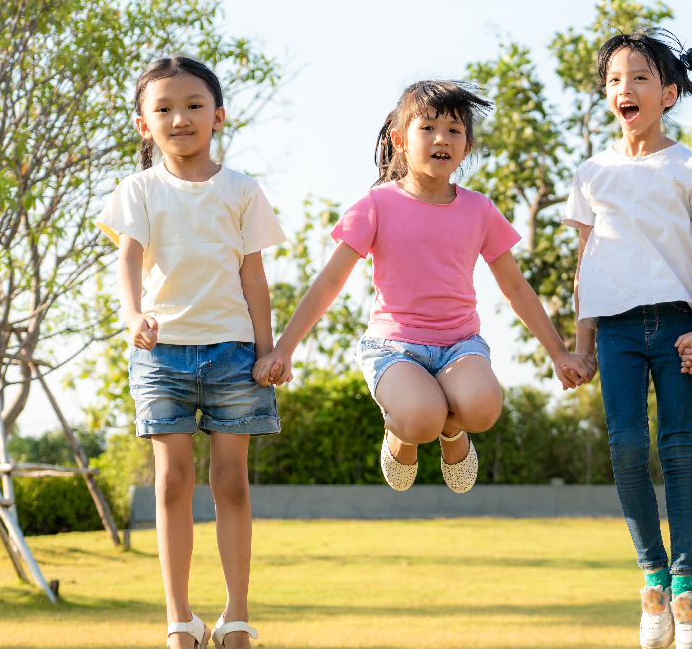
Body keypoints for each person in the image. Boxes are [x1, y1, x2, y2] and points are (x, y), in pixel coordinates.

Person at [254, 81, 594, 495]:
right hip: (394, 348)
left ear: (466, 148)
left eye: (454, 130)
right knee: (421, 419)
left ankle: (454, 431)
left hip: (459, 345)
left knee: (484, 409)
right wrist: (284, 348)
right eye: (428, 127)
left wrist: (559, 352)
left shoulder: (479, 209)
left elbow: (516, 288)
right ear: (399, 140)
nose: (441, 139)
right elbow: (329, 281)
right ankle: (401, 434)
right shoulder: (376, 205)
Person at [97, 56, 283, 649]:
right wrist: (132, 316)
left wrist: (268, 348)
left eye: (195, 105)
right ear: (144, 124)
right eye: (165, 108)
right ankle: (179, 625)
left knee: (230, 483)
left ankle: (235, 622)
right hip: (162, 355)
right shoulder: (139, 190)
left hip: (234, 354)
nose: (181, 118)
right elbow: (129, 260)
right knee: (172, 482)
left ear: (218, 115)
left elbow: (254, 275)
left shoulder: (242, 190)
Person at [565, 30, 692, 649]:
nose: (625, 89)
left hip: (676, 326)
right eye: (615, 79)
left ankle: (688, 585)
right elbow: (585, 265)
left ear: (668, 92)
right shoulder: (591, 174)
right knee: (625, 447)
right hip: (613, 328)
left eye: (640, 78)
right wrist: (580, 344)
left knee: (678, 447)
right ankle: (652, 577)